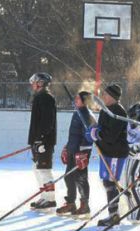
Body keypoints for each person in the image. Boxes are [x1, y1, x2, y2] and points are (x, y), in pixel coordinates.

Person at [84, 83, 129, 227]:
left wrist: (97, 135)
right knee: (106, 181)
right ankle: (113, 213)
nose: (103, 96)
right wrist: (94, 130)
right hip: (106, 151)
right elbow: (101, 128)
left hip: (116, 152)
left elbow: (111, 136)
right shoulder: (105, 110)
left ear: (113, 97)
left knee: (111, 182)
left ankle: (114, 215)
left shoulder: (119, 112)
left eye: (106, 94)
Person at [56, 91, 93, 217]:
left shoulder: (87, 115)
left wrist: (83, 153)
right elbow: (74, 134)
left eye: (78, 98)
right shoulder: (76, 113)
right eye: (75, 97)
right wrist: (67, 147)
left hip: (80, 153)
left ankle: (85, 205)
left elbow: (90, 137)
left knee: (81, 179)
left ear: (85, 101)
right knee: (68, 177)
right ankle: (71, 203)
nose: (75, 100)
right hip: (72, 149)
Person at [28, 72, 57, 210]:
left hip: (44, 141)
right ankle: (44, 195)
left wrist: (41, 139)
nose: (32, 84)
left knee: (44, 169)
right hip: (37, 141)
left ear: (40, 83)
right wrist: (34, 140)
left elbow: (47, 121)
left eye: (34, 81)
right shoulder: (39, 97)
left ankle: (50, 198)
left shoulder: (46, 98)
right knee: (37, 168)